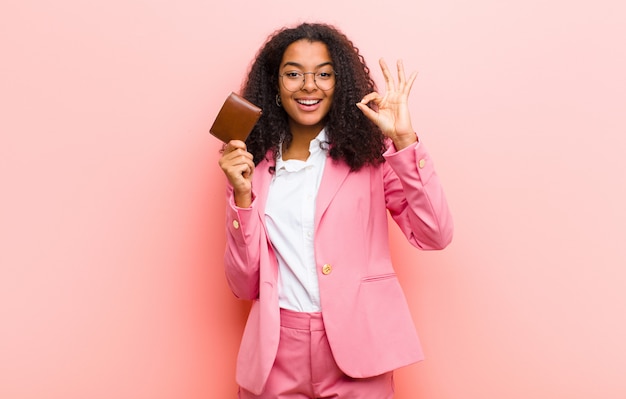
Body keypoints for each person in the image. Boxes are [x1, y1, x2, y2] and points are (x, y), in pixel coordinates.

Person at [218, 22, 453, 398]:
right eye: (293, 73)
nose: (309, 85)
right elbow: (243, 283)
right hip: (275, 352)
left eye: (324, 74)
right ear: (275, 85)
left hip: (360, 347)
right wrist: (241, 199)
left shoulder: (371, 156)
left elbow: (435, 233)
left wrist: (404, 142)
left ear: (339, 83)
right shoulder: (252, 165)